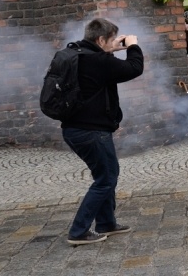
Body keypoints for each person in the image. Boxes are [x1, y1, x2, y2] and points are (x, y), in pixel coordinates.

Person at [61, 18, 144, 245]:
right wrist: (133, 46)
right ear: (100, 40)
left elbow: (102, 68)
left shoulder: (78, 53)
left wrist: (111, 49)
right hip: (91, 131)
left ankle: (106, 222)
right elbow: (134, 68)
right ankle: (78, 231)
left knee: (107, 174)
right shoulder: (98, 60)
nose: (113, 43)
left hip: (75, 129)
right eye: (110, 40)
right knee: (106, 178)